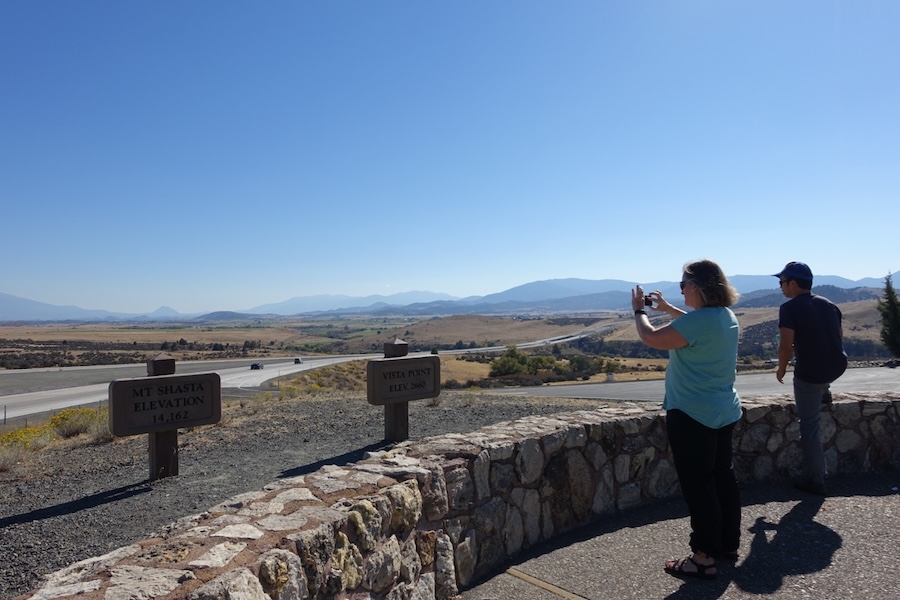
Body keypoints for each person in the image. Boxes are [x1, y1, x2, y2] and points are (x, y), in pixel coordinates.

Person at [632, 259, 742, 581]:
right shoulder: (724, 317)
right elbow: (693, 325)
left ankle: (703, 558)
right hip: (723, 410)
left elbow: (651, 337)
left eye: (682, 284)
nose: (680, 289)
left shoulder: (701, 322)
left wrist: (640, 311)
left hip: (693, 414)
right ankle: (726, 545)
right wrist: (667, 308)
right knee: (722, 479)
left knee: (700, 486)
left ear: (696, 287)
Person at [774, 261, 847, 496]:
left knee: (809, 426)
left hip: (811, 374)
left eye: (782, 282)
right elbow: (838, 337)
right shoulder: (829, 304)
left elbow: (785, 347)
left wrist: (782, 369)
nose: (781, 286)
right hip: (837, 365)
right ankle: (825, 391)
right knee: (820, 381)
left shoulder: (789, 308)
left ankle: (817, 480)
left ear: (793, 284)